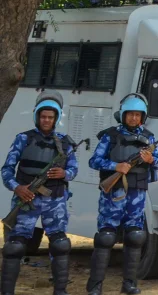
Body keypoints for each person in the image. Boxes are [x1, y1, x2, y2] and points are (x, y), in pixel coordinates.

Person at [86, 94, 158, 295]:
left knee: (135, 237)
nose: (133, 118)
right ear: (123, 115)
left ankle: (129, 284)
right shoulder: (110, 136)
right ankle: (95, 286)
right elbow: (94, 161)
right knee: (105, 238)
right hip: (113, 193)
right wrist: (116, 166)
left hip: (137, 193)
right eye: (130, 114)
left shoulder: (148, 138)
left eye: (137, 115)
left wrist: (150, 160)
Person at [1, 92, 78, 295]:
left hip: (55, 200)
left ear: (56, 118)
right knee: (14, 247)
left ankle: (60, 290)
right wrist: (17, 187)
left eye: (50, 117)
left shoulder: (65, 143)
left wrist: (64, 173)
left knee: (60, 244)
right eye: (43, 116)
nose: (46, 120)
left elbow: (74, 170)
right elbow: (6, 170)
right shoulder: (23, 139)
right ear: (37, 117)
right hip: (27, 199)